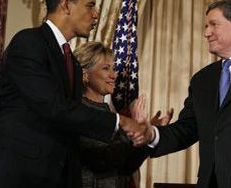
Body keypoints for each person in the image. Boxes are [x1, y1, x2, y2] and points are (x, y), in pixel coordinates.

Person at [0, 0, 151, 188]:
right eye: (90, 5)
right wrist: (120, 121)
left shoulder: (74, 65)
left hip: (59, 175)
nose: (96, 14)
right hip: (22, 173)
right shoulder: (29, 43)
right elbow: (53, 107)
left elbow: (73, 123)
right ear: (66, 5)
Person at [132, 0, 231, 188]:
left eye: (214, 24)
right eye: (206, 26)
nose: (206, 33)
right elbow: (187, 129)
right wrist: (151, 135)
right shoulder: (202, 80)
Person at [74, 41, 174, 188]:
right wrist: (134, 134)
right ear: (85, 75)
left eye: (113, 68)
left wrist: (146, 134)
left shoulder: (107, 111)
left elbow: (126, 167)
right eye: (105, 68)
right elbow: (102, 160)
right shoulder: (78, 111)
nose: (113, 75)